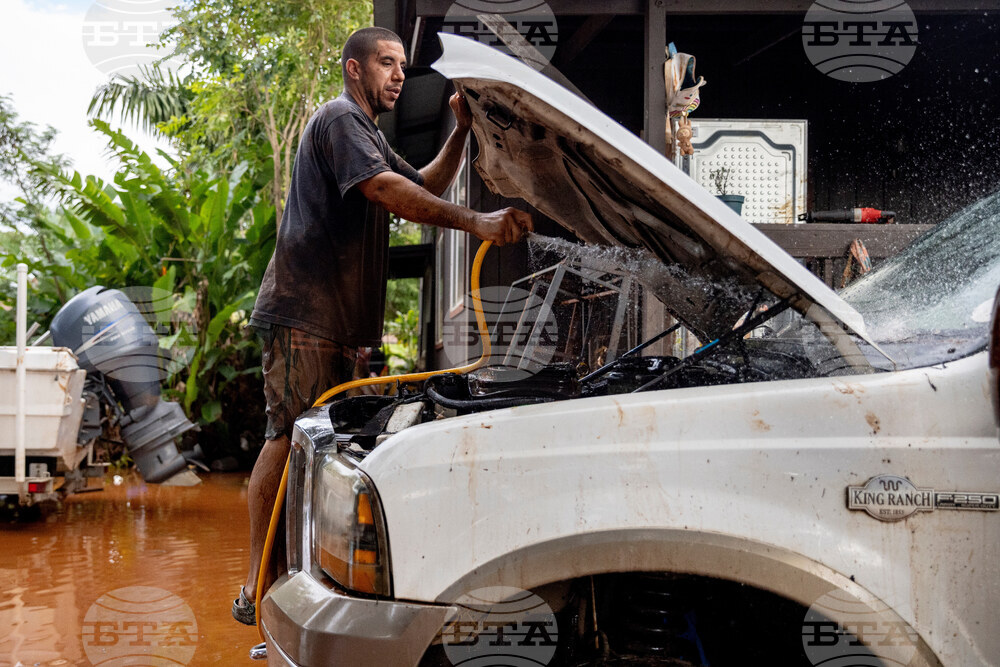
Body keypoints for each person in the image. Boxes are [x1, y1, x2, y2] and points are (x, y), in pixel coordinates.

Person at [232, 26, 533, 625]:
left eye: (401, 64)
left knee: (312, 443)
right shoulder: (342, 119)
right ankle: (254, 584)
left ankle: (294, 568)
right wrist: (477, 222)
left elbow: (424, 184)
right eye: (387, 64)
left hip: (335, 321)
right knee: (285, 434)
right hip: (304, 312)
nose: (399, 74)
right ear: (354, 69)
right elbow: (385, 189)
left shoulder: (365, 131)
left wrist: (465, 131)